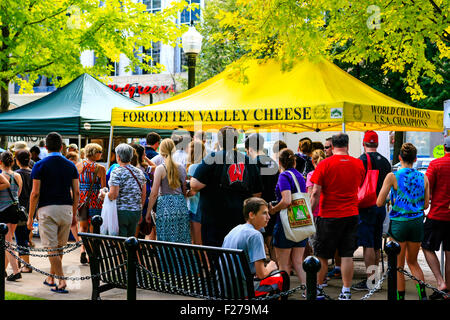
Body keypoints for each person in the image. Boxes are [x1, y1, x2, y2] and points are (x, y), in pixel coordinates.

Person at [310, 133, 365, 300]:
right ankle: (346, 291)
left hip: (328, 215)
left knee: (322, 255)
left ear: (332, 146)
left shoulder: (325, 164)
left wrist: (310, 214)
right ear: (347, 146)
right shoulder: (358, 164)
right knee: (347, 255)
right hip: (351, 214)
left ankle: (318, 289)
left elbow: (315, 193)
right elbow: (359, 186)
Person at [190, 126, 263, 247]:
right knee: (238, 254)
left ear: (219, 141)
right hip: (240, 217)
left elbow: (195, 184)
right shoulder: (248, 161)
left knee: (216, 253)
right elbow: (257, 194)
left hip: (213, 217)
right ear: (235, 140)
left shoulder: (213, 157)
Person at [27, 132, 80, 293]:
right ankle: (51, 277)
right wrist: (74, 212)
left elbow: (35, 193)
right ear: (62, 147)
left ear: (45, 147)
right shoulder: (71, 165)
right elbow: (76, 192)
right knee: (59, 247)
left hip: (47, 209)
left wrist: (30, 217)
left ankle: (61, 281)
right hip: (66, 208)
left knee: (51, 248)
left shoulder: (39, 165)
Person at [377, 142, 429, 300]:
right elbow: (426, 204)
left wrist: (390, 198)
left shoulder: (392, 176)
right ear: (415, 159)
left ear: (400, 157)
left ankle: (400, 298)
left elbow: (379, 202)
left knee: (398, 266)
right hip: (417, 222)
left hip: (399, 223)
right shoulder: (423, 177)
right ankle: (423, 296)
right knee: (413, 262)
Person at [222, 197, 288, 298]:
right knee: (279, 276)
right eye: (264, 213)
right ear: (251, 215)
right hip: (243, 290)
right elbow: (261, 274)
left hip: (224, 288)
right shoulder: (255, 235)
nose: (269, 217)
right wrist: (270, 266)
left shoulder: (234, 230)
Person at [352, 131, 392, 291]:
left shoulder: (361, 160)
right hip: (380, 206)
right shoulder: (385, 162)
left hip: (366, 206)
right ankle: (374, 279)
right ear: (376, 143)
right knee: (376, 245)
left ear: (364, 143)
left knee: (367, 244)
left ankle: (370, 281)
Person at [268, 148, 307, 287]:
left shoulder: (284, 176)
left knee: (283, 264)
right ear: (294, 162)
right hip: (301, 222)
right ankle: (307, 289)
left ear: (279, 162)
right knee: (298, 261)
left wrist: (273, 210)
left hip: (286, 224)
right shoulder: (300, 177)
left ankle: (283, 292)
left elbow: (286, 200)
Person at [145, 139, 190, 243]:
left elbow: (154, 193)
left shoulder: (160, 169)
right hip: (180, 205)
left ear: (161, 151)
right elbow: (184, 191)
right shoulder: (181, 168)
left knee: (165, 238)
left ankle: (167, 258)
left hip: (164, 206)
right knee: (181, 237)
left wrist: (148, 212)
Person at [422, 135, 450, 300]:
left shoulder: (436, 164)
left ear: (444, 147)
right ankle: (448, 290)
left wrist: (430, 198)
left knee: (426, 246)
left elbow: (427, 186)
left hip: (438, 214)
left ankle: (440, 282)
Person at [245, 133, 279, 262]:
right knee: (271, 238)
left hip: (258, 205)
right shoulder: (272, 162)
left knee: (258, 239)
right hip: (273, 205)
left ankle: (262, 268)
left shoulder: (253, 164)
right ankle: (276, 267)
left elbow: (253, 187)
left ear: (250, 149)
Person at [100, 143, 146, 237]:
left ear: (118, 157)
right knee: (131, 241)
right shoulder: (139, 172)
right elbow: (143, 194)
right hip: (135, 212)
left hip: (121, 212)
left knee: (120, 243)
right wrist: (140, 210)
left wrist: (103, 194)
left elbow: (113, 195)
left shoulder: (116, 172)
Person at [76, 143, 106, 264]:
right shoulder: (100, 168)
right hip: (95, 200)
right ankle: (92, 255)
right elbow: (103, 188)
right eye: (99, 152)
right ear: (94, 153)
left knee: (82, 227)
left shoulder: (78, 165)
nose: (101, 154)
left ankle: (83, 250)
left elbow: (74, 184)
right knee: (94, 229)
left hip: (82, 199)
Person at [0, 151, 23, 281]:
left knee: (8, 242)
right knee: (8, 241)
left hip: (4, 210)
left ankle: (15, 271)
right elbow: (18, 193)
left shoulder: (2, 176)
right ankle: (2, 270)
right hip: (15, 209)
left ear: (1, 162)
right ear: (12, 162)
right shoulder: (17, 175)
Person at [14, 150, 33, 273]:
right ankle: (21, 262)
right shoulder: (33, 173)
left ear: (17, 161)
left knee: (21, 238)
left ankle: (26, 264)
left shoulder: (16, 174)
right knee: (24, 236)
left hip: (20, 209)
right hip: (31, 209)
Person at [131, 143, 154, 239]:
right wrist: (146, 159)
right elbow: (155, 167)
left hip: (134, 201)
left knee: (134, 230)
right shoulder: (144, 167)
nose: (145, 156)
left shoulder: (131, 167)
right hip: (143, 201)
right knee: (140, 231)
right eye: (144, 154)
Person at [186, 140, 206, 245]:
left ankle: (201, 261)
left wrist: (182, 193)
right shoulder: (206, 165)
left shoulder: (193, 167)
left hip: (195, 207)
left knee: (196, 241)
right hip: (205, 206)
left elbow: (193, 191)